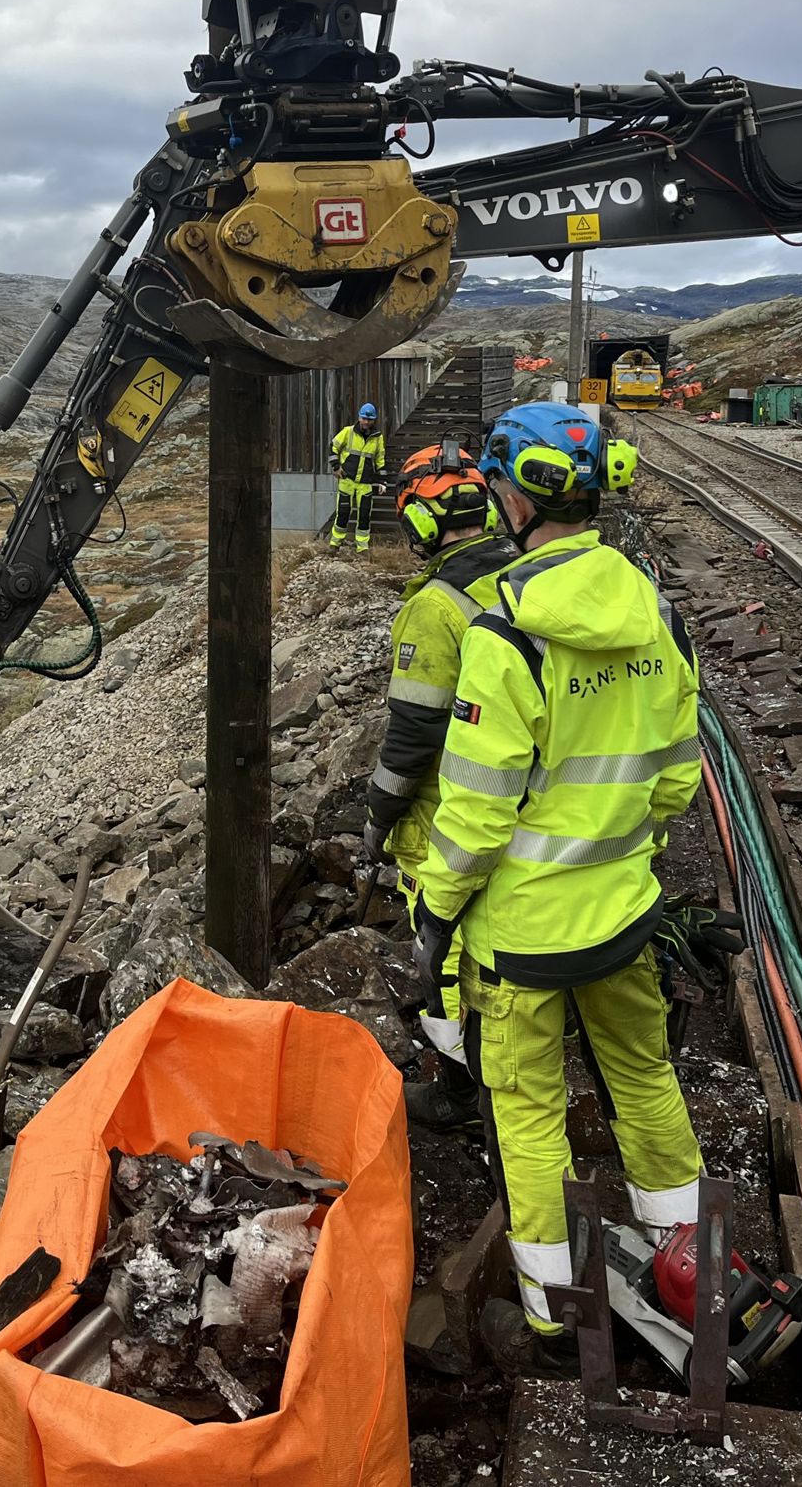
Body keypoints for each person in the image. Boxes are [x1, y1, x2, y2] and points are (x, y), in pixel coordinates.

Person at [410, 402, 714, 1379]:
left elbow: (475, 814)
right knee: (644, 1079)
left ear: (514, 493)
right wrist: (628, 850)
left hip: (519, 941)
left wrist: (434, 911)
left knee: (529, 1114)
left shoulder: (506, 634)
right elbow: (675, 771)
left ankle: (554, 1311)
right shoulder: (651, 608)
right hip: (624, 913)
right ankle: (685, 1256)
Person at [361, 441, 513, 1130]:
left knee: (439, 952)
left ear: (423, 523)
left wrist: (377, 813)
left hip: (448, 813)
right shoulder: (518, 574)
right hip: (519, 803)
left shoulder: (435, 608)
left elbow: (412, 736)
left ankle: (460, 1092)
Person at [329, 400, 387, 554]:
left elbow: (380, 459)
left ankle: (362, 547)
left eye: (369, 419)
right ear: (359, 418)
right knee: (343, 513)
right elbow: (333, 447)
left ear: (373, 420)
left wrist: (382, 481)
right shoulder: (348, 432)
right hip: (347, 480)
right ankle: (335, 543)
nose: (366, 422)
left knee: (364, 515)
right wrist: (336, 467)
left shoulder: (377, 437)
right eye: (364, 418)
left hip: (365, 483)